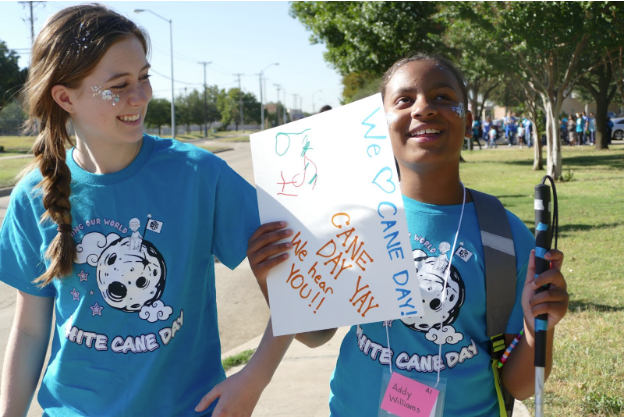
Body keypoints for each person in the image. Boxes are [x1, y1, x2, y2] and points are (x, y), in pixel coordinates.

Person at [0, 5, 291, 416]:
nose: (140, 96)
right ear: (65, 97)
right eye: (118, 85)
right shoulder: (35, 194)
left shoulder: (199, 174)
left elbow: (304, 289)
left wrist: (256, 377)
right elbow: (30, 329)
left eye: (144, 77)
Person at [251, 54, 569, 416]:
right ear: (379, 121)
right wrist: (272, 282)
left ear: (468, 118)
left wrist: (537, 327)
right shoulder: (349, 220)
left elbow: (521, 385)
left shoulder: (505, 238)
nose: (424, 108)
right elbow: (315, 335)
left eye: (443, 97)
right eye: (404, 100)